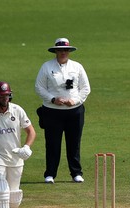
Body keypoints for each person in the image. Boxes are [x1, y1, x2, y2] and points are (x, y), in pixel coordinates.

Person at [35, 37, 91, 184]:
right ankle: (50, 174)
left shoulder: (77, 67)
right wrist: (53, 99)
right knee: (53, 143)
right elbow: (39, 87)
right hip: (52, 111)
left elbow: (85, 88)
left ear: (69, 51)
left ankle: (76, 173)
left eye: (65, 50)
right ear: (55, 51)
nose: (63, 52)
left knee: (74, 143)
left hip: (74, 111)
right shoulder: (46, 67)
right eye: (60, 50)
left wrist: (75, 100)